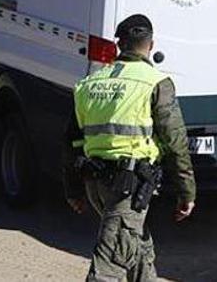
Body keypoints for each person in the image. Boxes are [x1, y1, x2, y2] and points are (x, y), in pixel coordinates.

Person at [63, 14, 195, 282]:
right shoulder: (156, 83)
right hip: (128, 186)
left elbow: (72, 142)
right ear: (151, 44)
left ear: (119, 44)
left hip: (96, 184)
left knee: (137, 248)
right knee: (109, 265)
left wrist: (73, 189)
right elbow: (175, 141)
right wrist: (186, 191)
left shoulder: (89, 83)